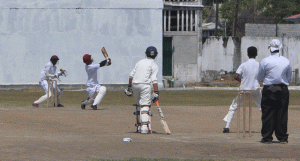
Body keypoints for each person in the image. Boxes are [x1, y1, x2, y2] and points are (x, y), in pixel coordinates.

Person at [258, 39, 292, 144]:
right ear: (280, 48)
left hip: (268, 89)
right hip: (282, 89)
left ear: (270, 48)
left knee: (267, 113)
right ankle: (282, 137)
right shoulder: (286, 61)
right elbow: (289, 77)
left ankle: (267, 137)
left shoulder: (264, 61)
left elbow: (260, 76)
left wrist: (268, 81)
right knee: (282, 113)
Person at [223, 46, 262, 133]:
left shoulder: (243, 65)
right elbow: (262, 77)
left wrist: (242, 81)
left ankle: (227, 126)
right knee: (263, 107)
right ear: (256, 54)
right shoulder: (259, 65)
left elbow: (236, 76)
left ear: (247, 54)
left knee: (234, 106)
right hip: (255, 88)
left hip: (244, 89)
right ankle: (267, 126)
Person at [125, 46, 159, 134]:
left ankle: (139, 126)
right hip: (145, 85)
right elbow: (154, 79)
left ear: (146, 54)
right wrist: (156, 92)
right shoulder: (154, 64)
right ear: (155, 55)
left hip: (135, 85)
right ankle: (144, 127)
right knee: (145, 105)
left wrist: (129, 87)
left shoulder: (139, 62)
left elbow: (131, 76)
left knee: (138, 105)